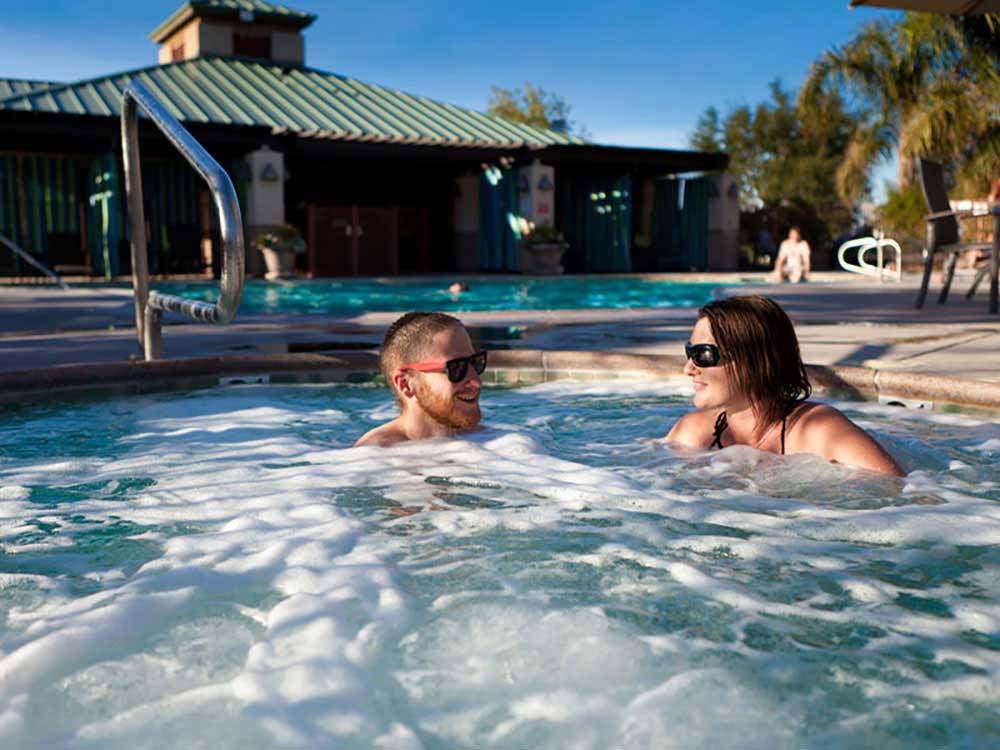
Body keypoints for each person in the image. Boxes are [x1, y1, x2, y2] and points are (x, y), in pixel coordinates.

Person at [665, 295, 903, 476]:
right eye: (690, 352)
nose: (689, 368)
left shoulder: (819, 430)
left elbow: (907, 498)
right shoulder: (692, 432)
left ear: (755, 359)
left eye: (704, 354)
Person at [355, 312, 486, 447]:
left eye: (475, 362)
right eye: (456, 368)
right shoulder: (376, 453)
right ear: (405, 384)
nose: (477, 382)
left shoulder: (489, 440)